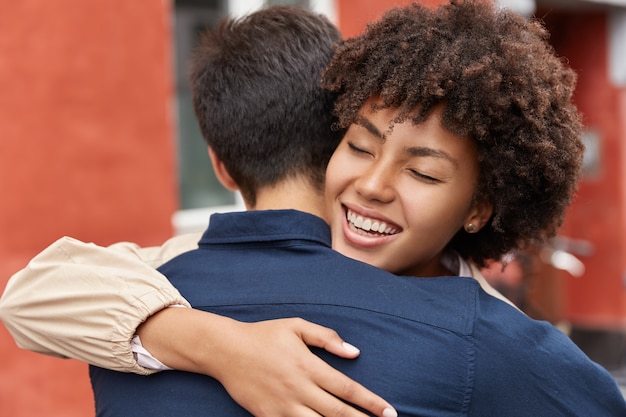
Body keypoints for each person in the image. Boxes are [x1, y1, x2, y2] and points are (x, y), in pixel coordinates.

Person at [3, 1, 626, 415]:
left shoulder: (485, 330)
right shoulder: (181, 272)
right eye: (360, 147)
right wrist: (215, 344)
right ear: (335, 143)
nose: (375, 185)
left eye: (424, 171)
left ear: (479, 207)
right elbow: (32, 293)